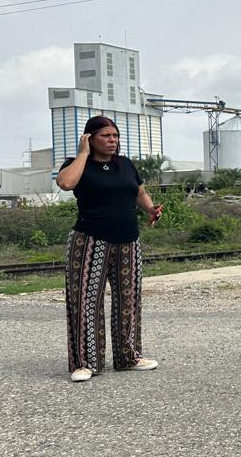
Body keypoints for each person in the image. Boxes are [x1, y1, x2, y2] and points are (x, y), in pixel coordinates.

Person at [55, 115, 162, 383]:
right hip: (90, 241)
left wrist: (150, 208)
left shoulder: (125, 165)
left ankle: (128, 357)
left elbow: (138, 191)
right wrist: (82, 154)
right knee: (86, 302)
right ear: (89, 138)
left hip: (128, 241)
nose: (113, 141)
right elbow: (66, 184)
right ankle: (85, 362)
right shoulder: (76, 164)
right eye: (106, 136)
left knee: (129, 300)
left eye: (115, 136)